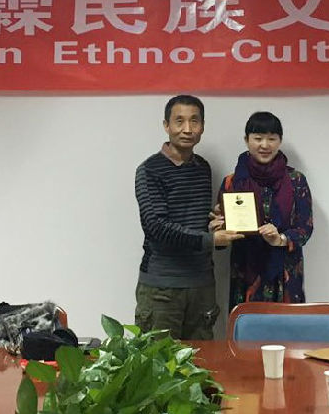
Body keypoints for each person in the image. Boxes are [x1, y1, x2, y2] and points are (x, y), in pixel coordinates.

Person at [134, 95, 243, 339]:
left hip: (202, 285)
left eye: (194, 121)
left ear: (202, 126)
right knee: (158, 361)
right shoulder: (149, 170)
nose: (187, 129)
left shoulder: (202, 167)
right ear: (166, 125)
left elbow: (195, 223)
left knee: (203, 359)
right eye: (179, 121)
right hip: (162, 289)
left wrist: (214, 225)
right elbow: (156, 227)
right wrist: (210, 240)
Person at [214, 111, 313, 308]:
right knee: (246, 326)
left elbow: (305, 228)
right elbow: (221, 237)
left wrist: (280, 239)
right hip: (246, 272)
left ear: (280, 141)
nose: (265, 145)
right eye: (258, 138)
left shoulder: (296, 180)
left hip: (285, 273)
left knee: (287, 326)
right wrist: (218, 229)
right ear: (246, 140)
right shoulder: (232, 182)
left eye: (271, 139)